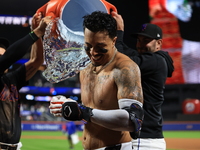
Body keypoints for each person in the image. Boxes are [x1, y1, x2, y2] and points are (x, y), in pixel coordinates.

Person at [49, 11, 144, 150]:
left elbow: (133, 121)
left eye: (100, 47)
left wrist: (83, 111)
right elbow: (94, 111)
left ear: (114, 41)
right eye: (88, 46)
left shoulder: (125, 68)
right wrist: (70, 105)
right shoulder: (85, 67)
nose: (93, 53)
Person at [112, 11, 174, 150]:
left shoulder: (156, 60)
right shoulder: (148, 59)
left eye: (146, 40)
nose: (140, 44)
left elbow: (122, 62)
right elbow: (126, 52)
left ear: (158, 44)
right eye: (139, 40)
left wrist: (120, 31)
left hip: (144, 140)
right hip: (144, 138)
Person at [0, 13, 52, 150]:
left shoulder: (12, 79)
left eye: (3, 54)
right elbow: (9, 57)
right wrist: (36, 32)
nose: (3, 58)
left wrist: (36, 32)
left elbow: (36, 61)